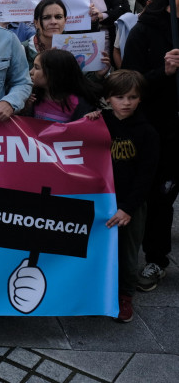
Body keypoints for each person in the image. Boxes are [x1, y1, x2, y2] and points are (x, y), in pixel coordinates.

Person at [121, 0, 179, 292]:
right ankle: (156, 259)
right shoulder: (144, 29)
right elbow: (131, 81)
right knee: (160, 199)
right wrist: (164, 71)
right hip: (162, 130)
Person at [98, 70, 158, 323]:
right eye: (119, 97)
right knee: (100, 248)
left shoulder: (147, 132)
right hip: (101, 201)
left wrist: (129, 208)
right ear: (108, 98)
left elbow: (147, 177)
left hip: (130, 205)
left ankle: (125, 297)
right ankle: (100, 292)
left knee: (127, 253)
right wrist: (89, 118)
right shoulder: (99, 122)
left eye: (132, 97)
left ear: (140, 99)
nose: (126, 102)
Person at [22, 49, 99, 122]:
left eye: (37, 67)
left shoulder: (79, 103)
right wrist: (25, 108)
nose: (31, 72)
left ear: (54, 73)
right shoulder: (31, 97)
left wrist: (88, 119)